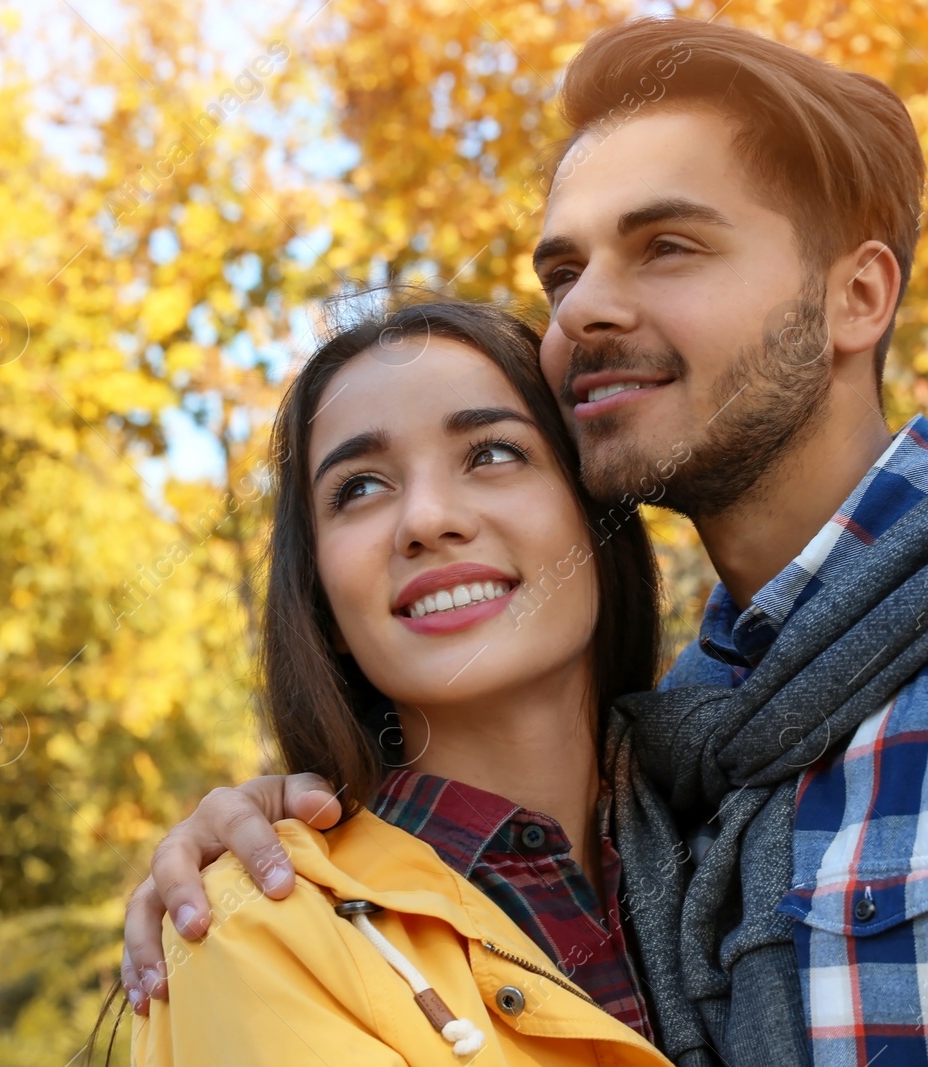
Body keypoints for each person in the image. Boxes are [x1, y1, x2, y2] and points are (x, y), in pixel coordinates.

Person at [121, 16, 928, 1067]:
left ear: (856, 297)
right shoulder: (696, 750)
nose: (587, 312)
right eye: (562, 273)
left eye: (667, 246)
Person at [113, 299, 674, 1065]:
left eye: (491, 453)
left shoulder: (764, 830)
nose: (428, 518)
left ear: (595, 514)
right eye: (361, 488)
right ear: (324, 606)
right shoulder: (256, 931)